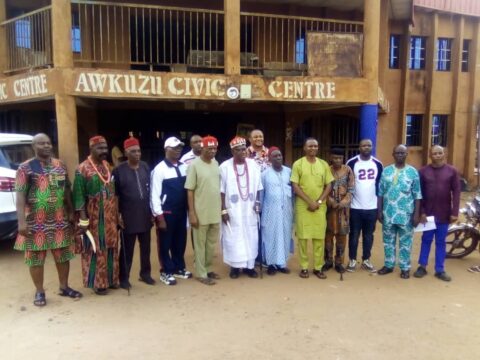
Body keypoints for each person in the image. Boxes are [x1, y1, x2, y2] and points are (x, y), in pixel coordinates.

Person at [14, 133, 81, 306]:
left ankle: (64, 287)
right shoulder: (25, 168)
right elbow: (20, 195)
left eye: (48, 143)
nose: (46, 146)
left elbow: (66, 190)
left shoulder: (60, 165)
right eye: (42, 143)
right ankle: (39, 291)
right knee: (36, 258)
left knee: (63, 255)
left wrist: (71, 211)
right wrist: (21, 222)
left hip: (60, 219)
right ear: (33, 146)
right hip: (36, 221)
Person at [73, 136, 120, 295]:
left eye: (105, 148)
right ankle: (97, 282)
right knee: (95, 247)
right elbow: (79, 198)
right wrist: (83, 220)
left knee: (112, 246)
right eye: (100, 148)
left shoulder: (107, 165)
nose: (104, 151)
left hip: (110, 215)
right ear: (91, 149)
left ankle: (111, 279)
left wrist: (116, 215)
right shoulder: (82, 169)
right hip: (93, 217)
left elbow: (112, 191)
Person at [113, 137, 155, 290]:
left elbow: (150, 190)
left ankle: (145, 274)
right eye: (133, 151)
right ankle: (124, 278)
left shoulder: (145, 166)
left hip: (144, 213)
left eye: (138, 151)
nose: (137, 154)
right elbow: (116, 195)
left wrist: (152, 211)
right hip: (128, 215)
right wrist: (118, 214)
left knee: (146, 247)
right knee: (127, 249)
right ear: (126, 152)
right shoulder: (118, 170)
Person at [414, 145, 460, 281]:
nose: (437, 155)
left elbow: (456, 192)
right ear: (430, 155)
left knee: (441, 242)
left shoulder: (452, 171)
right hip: (427, 214)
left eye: (440, 153)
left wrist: (455, 212)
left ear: (444, 154)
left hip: (444, 213)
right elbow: (419, 193)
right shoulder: (423, 172)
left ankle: (439, 269)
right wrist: (421, 212)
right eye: (434, 153)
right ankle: (422, 266)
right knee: (426, 240)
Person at [220, 136, 263, 279]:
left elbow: (258, 187)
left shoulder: (253, 165)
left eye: (244, 149)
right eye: (238, 150)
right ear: (233, 152)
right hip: (233, 209)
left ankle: (249, 267)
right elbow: (221, 191)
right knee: (234, 236)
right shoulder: (224, 167)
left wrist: (257, 202)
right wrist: (223, 209)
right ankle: (235, 267)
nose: (243, 151)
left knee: (251, 235)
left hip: (249, 208)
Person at [151, 136, 191, 285]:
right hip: (166, 213)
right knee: (165, 243)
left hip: (181, 212)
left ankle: (178, 267)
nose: (178, 150)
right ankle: (166, 271)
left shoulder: (184, 167)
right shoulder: (159, 169)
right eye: (175, 148)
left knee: (180, 241)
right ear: (166, 149)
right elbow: (154, 195)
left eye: (180, 147)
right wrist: (159, 216)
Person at [291, 138, 333, 279]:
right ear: (304, 148)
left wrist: (319, 201)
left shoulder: (324, 164)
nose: (313, 148)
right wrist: (309, 201)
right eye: (310, 146)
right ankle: (304, 267)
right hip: (303, 206)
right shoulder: (298, 164)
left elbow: (329, 185)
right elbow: (295, 186)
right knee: (302, 238)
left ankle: (318, 267)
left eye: (315, 146)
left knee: (319, 238)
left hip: (319, 207)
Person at [377, 144, 421, 279]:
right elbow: (380, 193)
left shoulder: (413, 172)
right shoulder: (386, 171)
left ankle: (405, 268)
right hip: (388, 213)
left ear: (406, 154)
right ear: (393, 154)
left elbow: (417, 195)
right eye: (397, 153)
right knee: (388, 241)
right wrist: (379, 211)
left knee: (405, 242)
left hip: (406, 215)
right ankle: (389, 265)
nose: (400, 155)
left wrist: (416, 214)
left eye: (402, 153)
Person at [185, 136, 222, 285]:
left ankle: (207, 268)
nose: (212, 151)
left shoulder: (216, 163)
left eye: (214, 149)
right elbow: (189, 191)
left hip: (214, 211)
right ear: (202, 149)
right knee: (200, 244)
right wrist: (192, 213)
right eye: (209, 149)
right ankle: (201, 273)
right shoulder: (194, 165)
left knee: (211, 243)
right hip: (200, 212)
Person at [345, 139, 383, 273]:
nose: (366, 147)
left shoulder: (377, 164)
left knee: (369, 235)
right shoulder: (352, 162)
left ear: (372, 147)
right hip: (355, 207)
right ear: (359, 147)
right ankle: (352, 260)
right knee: (354, 235)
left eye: (369, 145)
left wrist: (379, 208)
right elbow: (346, 184)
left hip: (372, 207)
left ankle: (366, 260)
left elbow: (380, 187)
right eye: (363, 145)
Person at [260, 147, 293, 275]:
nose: (278, 157)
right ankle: (271, 264)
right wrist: (261, 210)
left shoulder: (289, 172)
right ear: (269, 159)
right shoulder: (264, 174)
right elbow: (261, 194)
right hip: (270, 212)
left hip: (286, 212)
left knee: (284, 236)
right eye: (275, 156)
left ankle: (282, 264)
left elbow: (294, 191)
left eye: (279, 155)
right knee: (270, 237)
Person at [324, 148, 355, 274]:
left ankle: (339, 262)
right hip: (329, 209)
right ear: (331, 158)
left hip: (343, 211)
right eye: (335, 158)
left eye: (340, 158)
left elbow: (351, 189)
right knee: (328, 235)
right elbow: (322, 188)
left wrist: (343, 203)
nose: (337, 160)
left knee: (342, 237)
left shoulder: (348, 170)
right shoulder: (326, 170)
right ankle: (328, 261)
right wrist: (329, 201)